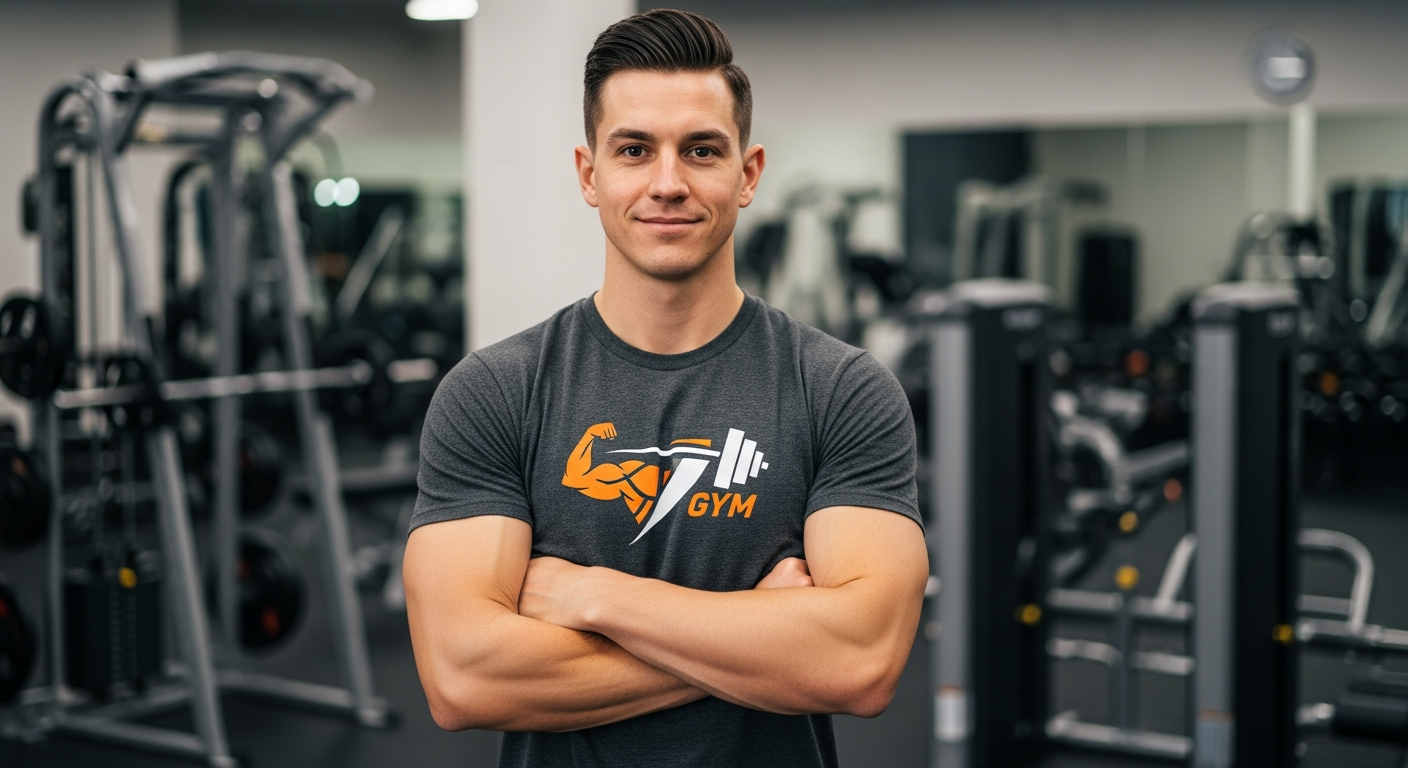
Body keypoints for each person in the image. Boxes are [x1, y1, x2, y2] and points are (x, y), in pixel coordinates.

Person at [404, 9, 927, 767]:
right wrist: (761, 635)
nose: (669, 182)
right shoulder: (495, 392)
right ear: (591, 174)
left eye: (702, 150)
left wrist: (593, 599)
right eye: (635, 149)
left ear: (747, 175)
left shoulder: (840, 390)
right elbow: (463, 678)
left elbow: (860, 662)